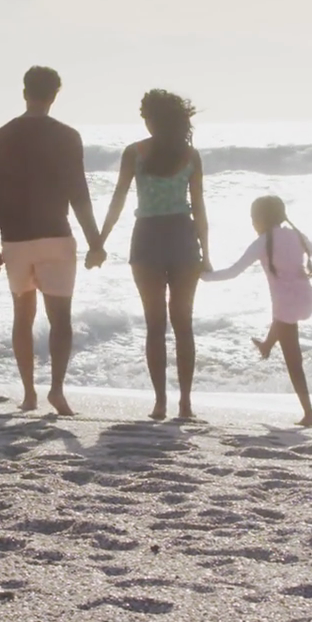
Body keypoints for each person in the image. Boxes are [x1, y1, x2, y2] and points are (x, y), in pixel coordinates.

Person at [0, 66, 107, 416]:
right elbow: (78, 191)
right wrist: (95, 242)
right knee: (60, 320)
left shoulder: (3, 135)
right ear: (54, 95)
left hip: (16, 240)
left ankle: (28, 394)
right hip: (56, 236)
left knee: (22, 316)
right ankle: (56, 390)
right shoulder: (67, 136)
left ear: (25, 93)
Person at [97, 89, 208, 421]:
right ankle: (185, 403)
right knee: (183, 324)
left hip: (147, 237)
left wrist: (100, 241)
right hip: (183, 237)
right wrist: (206, 251)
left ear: (153, 119)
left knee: (155, 324)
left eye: (146, 116)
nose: (144, 122)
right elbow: (199, 207)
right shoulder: (190, 155)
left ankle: (160, 403)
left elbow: (118, 199)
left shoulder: (135, 152)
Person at [203, 195, 312, 427]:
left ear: (261, 219)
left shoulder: (262, 242)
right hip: (306, 301)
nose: (252, 223)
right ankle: (266, 346)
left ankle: (309, 413)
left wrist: (203, 276)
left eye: (253, 218)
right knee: (281, 322)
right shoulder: (296, 235)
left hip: (285, 306)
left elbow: (234, 272)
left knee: (293, 359)